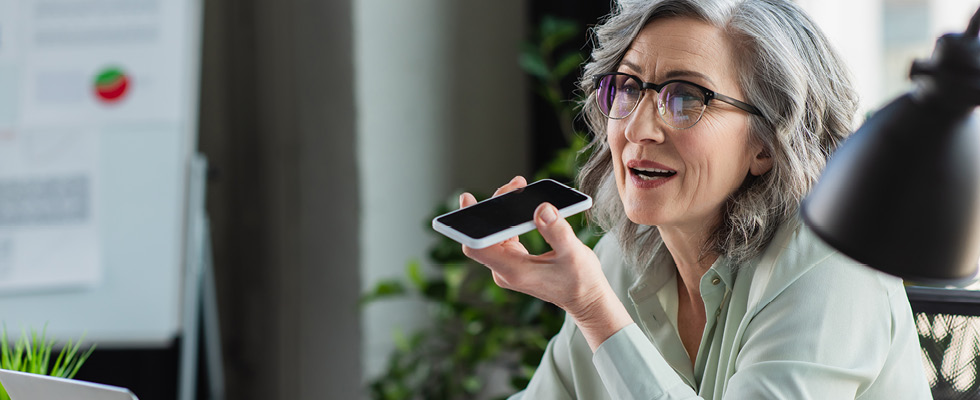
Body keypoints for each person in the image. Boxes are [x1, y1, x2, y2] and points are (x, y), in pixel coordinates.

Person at [458, 0, 932, 398]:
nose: (638, 130)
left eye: (685, 98)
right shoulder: (621, 260)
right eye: (628, 88)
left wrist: (593, 309)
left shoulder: (832, 263)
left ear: (766, 145)